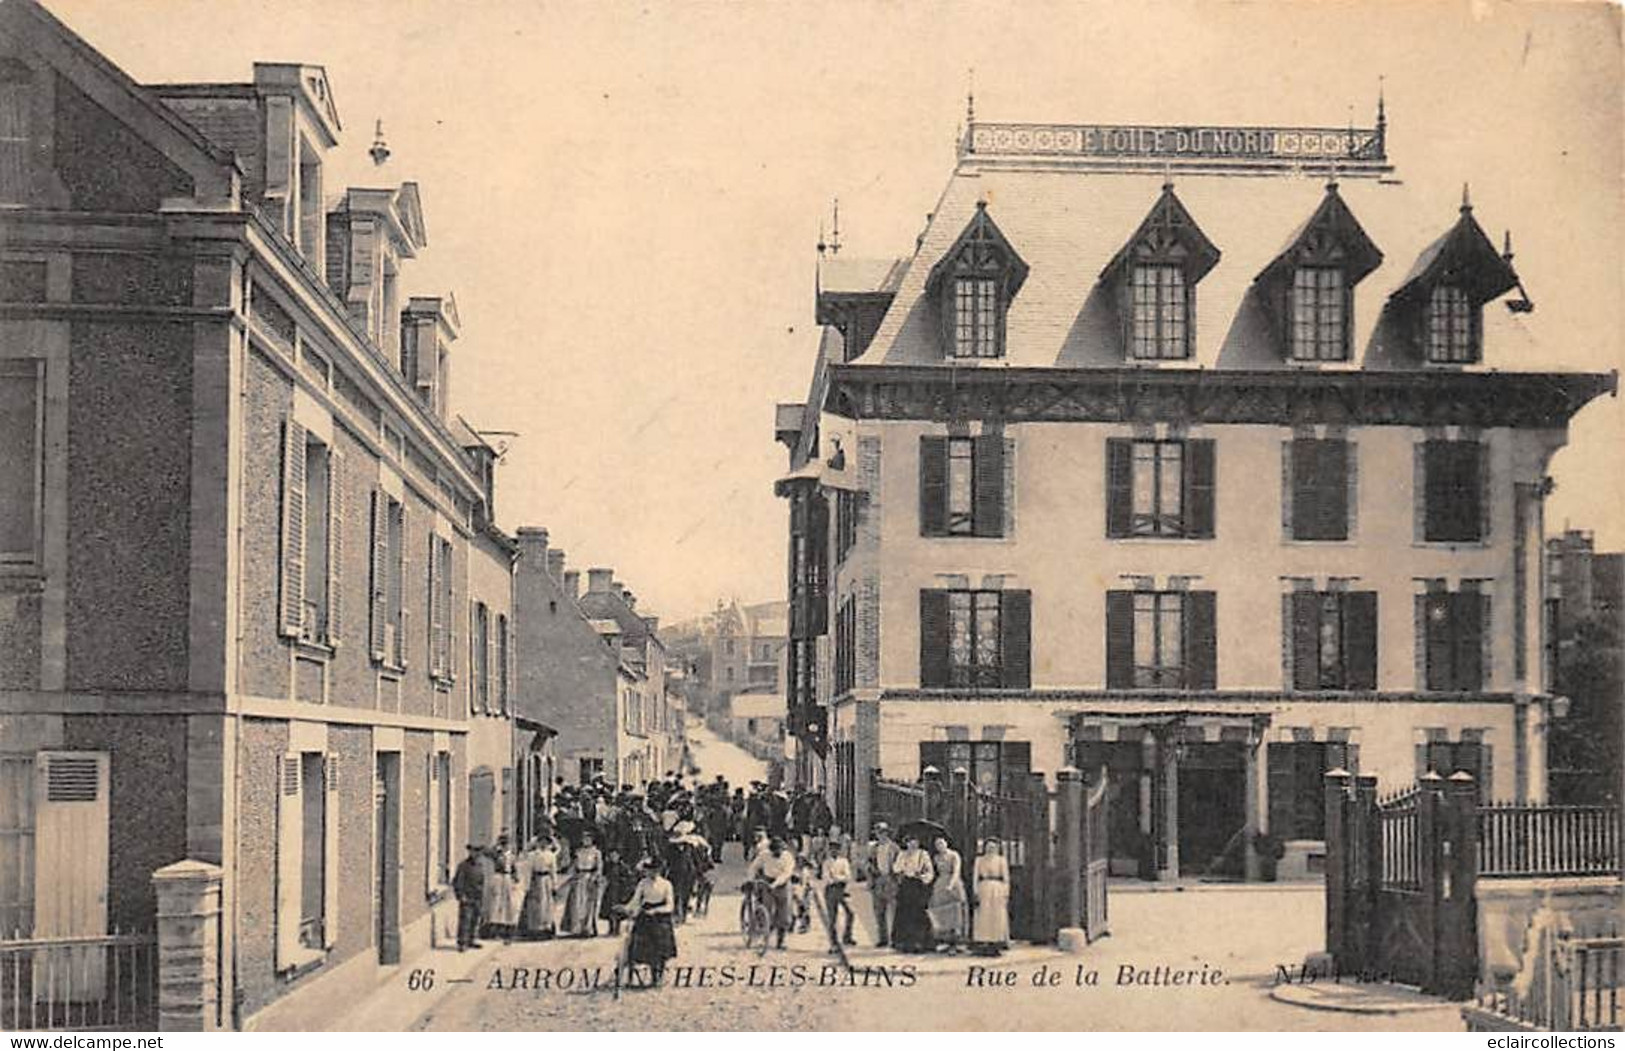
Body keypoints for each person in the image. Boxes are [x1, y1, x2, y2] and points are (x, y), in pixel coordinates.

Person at [619, 858, 677, 987]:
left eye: (654, 870)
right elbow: (635, 900)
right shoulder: (643, 884)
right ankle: (650, 976)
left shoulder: (666, 884)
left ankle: (659, 976)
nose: (652, 873)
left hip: (661, 919)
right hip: (645, 918)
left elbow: (670, 905)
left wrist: (656, 911)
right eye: (649, 870)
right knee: (645, 949)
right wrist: (626, 908)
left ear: (659, 870)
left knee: (661, 949)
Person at [747, 835, 797, 949]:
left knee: (784, 914)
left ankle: (781, 941)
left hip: (783, 884)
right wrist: (750, 879)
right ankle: (763, 936)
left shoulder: (788, 858)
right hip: (767, 882)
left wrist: (774, 885)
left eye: (778, 850)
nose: (776, 852)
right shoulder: (764, 855)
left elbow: (786, 874)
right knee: (766, 909)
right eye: (774, 850)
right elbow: (754, 867)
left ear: (782, 849)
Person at [891, 832, 935, 953]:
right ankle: (904, 942)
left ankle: (920, 942)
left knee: (918, 912)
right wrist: (903, 862)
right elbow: (896, 868)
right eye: (910, 842)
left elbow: (930, 871)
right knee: (904, 913)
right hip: (906, 885)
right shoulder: (902, 854)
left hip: (917, 885)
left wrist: (923, 877)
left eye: (915, 842)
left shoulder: (923, 854)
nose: (912, 844)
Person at [560, 831, 604, 937]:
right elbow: (574, 866)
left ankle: (588, 928)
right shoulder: (578, 852)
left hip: (590, 878)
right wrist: (570, 876)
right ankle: (577, 929)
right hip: (579, 878)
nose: (586, 841)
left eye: (588, 839)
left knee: (589, 904)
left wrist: (595, 877)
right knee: (577, 904)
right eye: (584, 839)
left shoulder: (596, 853)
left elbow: (599, 867)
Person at [929, 835, 968, 953]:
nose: (940, 846)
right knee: (942, 912)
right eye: (937, 844)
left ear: (946, 843)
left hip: (953, 883)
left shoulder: (954, 855)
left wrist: (951, 884)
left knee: (956, 911)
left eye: (941, 843)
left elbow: (956, 871)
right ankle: (945, 941)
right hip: (940, 883)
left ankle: (958, 942)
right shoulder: (936, 857)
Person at [972, 837, 1011, 955]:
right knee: (984, 915)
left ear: (997, 848)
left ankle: (996, 942)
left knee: (997, 915)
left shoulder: (1001, 860)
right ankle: (984, 942)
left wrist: (1005, 892)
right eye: (988, 847)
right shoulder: (979, 860)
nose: (991, 849)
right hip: (983, 887)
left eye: (993, 847)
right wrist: (975, 891)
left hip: (997, 889)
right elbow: (975, 877)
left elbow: (1006, 878)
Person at [865, 823, 899, 948]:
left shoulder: (894, 848)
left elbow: (899, 864)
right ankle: (882, 938)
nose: (881, 835)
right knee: (879, 911)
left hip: (890, 879)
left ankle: (894, 938)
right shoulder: (874, 848)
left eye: (883, 832)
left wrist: (897, 880)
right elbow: (868, 864)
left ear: (887, 833)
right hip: (878, 879)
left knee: (894, 910)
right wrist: (870, 877)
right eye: (878, 833)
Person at [519, 836, 559, 939]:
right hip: (536, 881)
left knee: (546, 905)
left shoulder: (551, 855)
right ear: (537, 843)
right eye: (541, 842)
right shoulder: (532, 855)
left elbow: (553, 871)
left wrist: (554, 885)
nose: (543, 844)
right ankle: (535, 929)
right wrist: (527, 886)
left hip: (546, 881)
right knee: (535, 905)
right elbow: (528, 871)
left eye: (545, 842)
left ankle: (546, 927)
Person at [821, 841, 857, 951]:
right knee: (832, 917)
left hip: (842, 889)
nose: (834, 851)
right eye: (832, 849)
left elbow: (848, 876)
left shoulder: (844, 861)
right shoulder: (826, 863)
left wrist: (837, 877)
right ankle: (833, 942)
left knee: (851, 913)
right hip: (831, 890)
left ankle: (847, 936)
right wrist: (838, 877)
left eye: (836, 849)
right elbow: (826, 878)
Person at [452, 844, 485, 951]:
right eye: (474, 851)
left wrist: (482, 897)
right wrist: (461, 895)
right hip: (467, 896)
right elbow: (457, 882)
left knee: (475, 920)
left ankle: (471, 940)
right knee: (465, 919)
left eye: (479, 852)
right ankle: (462, 943)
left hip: (477, 897)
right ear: (470, 852)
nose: (477, 854)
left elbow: (481, 882)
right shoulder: (463, 866)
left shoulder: (480, 866)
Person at [600, 847, 636, 937]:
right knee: (609, 910)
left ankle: (617, 930)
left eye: (615, 855)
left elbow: (629, 878)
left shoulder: (623, 866)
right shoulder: (608, 866)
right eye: (611, 855)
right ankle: (611, 929)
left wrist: (623, 884)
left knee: (618, 910)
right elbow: (605, 876)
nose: (613, 857)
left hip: (619, 890)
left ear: (619, 856)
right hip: (610, 889)